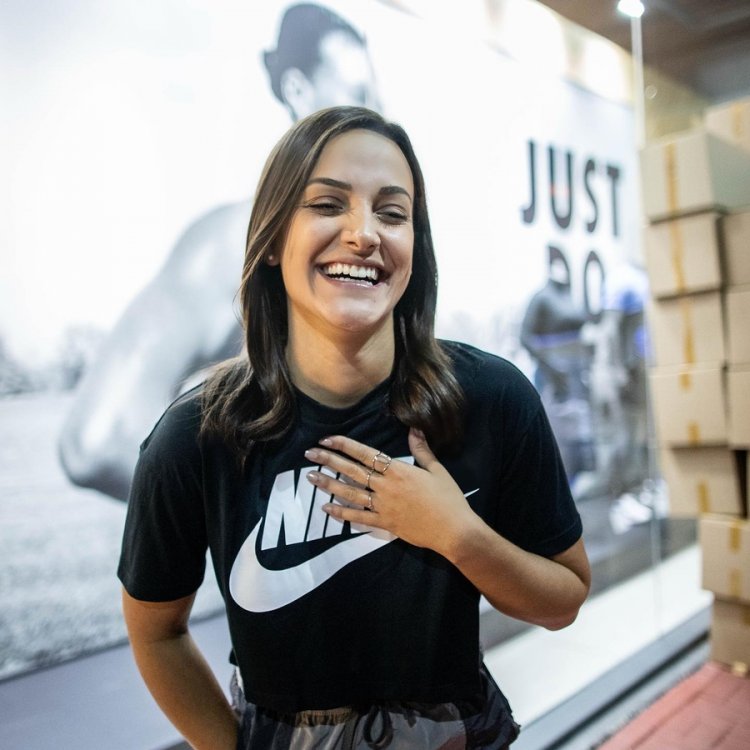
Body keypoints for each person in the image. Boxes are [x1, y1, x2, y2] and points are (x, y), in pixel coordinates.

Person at [119, 106, 590, 749]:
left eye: (392, 213)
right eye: (327, 204)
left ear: (414, 248)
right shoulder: (196, 436)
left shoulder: (491, 398)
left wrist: (456, 534)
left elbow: (563, 599)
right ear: (273, 237)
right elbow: (156, 630)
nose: (363, 234)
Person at [58, 3, 380, 501]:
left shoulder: (367, 252)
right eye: (359, 97)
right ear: (298, 91)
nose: (380, 118)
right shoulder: (233, 242)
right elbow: (97, 442)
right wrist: (241, 525)